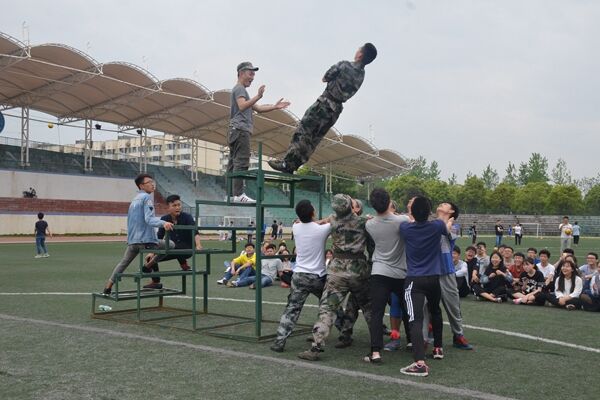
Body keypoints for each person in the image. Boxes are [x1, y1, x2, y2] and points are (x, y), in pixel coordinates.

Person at [268, 43, 378, 173]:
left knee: (303, 131)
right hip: (335, 111)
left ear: (360, 55)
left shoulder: (344, 65)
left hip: (324, 103)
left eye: (359, 49)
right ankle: (293, 165)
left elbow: (325, 78)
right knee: (314, 139)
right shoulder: (361, 75)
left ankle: (286, 164)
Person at [297, 194, 374, 361]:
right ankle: (376, 346)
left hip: (336, 270)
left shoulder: (332, 220)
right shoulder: (364, 222)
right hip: (359, 269)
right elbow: (372, 247)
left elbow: (319, 223)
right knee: (369, 308)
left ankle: (316, 346)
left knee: (327, 309)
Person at [398, 196, 450, 377]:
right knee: (435, 310)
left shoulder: (405, 228)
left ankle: (420, 362)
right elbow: (443, 223)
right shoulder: (437, 226)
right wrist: (443, 212)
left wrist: (411, 212)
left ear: (412, 212)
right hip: (433, 278)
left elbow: (408, 220)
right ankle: (438, 348)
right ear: (429, 212)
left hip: (414, 280)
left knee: (415, 319)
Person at [271, 200, 331, 352]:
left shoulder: (296, 227)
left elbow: (310, 223)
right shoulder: (322, 229)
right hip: (318, 276)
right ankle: (344, 332)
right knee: (329, 306)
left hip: (298, 276)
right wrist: (327, 219)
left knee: (291, 310)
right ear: (313, 213)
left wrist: (321, 221)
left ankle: (279, 341)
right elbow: (331, 222)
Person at [227, 61, 290, 202]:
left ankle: (230, 195)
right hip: (240, 129)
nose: (253, 77)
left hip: (235, 130)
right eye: (250, 74)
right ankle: (238, 194)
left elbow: (259, 108)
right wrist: (258, 96)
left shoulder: (241, 91)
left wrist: (274, 107)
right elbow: (242, 106)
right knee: (241, 161)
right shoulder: (240, 89)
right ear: (241, 73)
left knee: (233, 162)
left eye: (253, 74)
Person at [102, 174, 174, 295]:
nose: (152, 184)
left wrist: (130, 239)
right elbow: (149, 219)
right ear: (141, 186)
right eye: (149, 182)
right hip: (145, 241)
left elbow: (130, 221)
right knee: (170, 245)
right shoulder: (147, 198)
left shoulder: (134, 200)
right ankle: (148, 265)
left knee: (123, 263)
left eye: (152, 181)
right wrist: (164, 223)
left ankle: (108, 287)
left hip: (133, 241)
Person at [362, 188, 411, 363]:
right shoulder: (402, 220)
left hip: (379, 271)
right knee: (407, 309)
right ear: (389, 201)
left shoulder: (370, 224)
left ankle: (375, 352)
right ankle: (412, 341)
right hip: (400, 273)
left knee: (377, 313)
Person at [143, 194, 203, 289]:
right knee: (150, 258)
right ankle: (156, 282)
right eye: (174, 205)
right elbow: (159, 237)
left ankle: (183, 263)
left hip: (187, 248)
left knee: (174, 245)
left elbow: (195, 232)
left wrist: (198, 245)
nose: (177, 207)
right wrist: (152, 252)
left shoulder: (187, 217)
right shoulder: (164, 219)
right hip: (172, 248)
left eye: (179, 205)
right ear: (168, 207)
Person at [435, 202, 473, 350]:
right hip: (430, 271)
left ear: (451, 212)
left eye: (445, 204)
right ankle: (427, 334)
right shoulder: (432, 223)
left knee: (453, 306)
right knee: (426, 306)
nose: (441, 204)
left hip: (446, 271)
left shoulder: (455, 226)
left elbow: (444, 231)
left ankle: (458, 335)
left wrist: (448, 221)